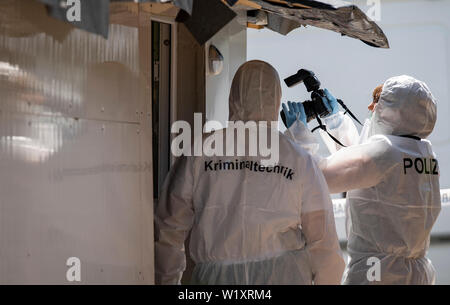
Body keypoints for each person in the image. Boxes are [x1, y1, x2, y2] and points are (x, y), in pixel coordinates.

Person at [154, 60, 345, 285]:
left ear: (233, 97)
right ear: (275, 100)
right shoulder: (298, 158)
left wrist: (166, 281)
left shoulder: (200, 151)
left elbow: (168, 228)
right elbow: (324, 242)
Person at [284, 75, 441, 284]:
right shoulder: (424, 153)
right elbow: (360, 169)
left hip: (377, 273)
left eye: (377, 102)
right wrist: (336, 121)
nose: (370, 106)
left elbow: (318, 177)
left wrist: (299, 133)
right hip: (417, 273)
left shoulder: (384, 153)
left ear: (395, 110)